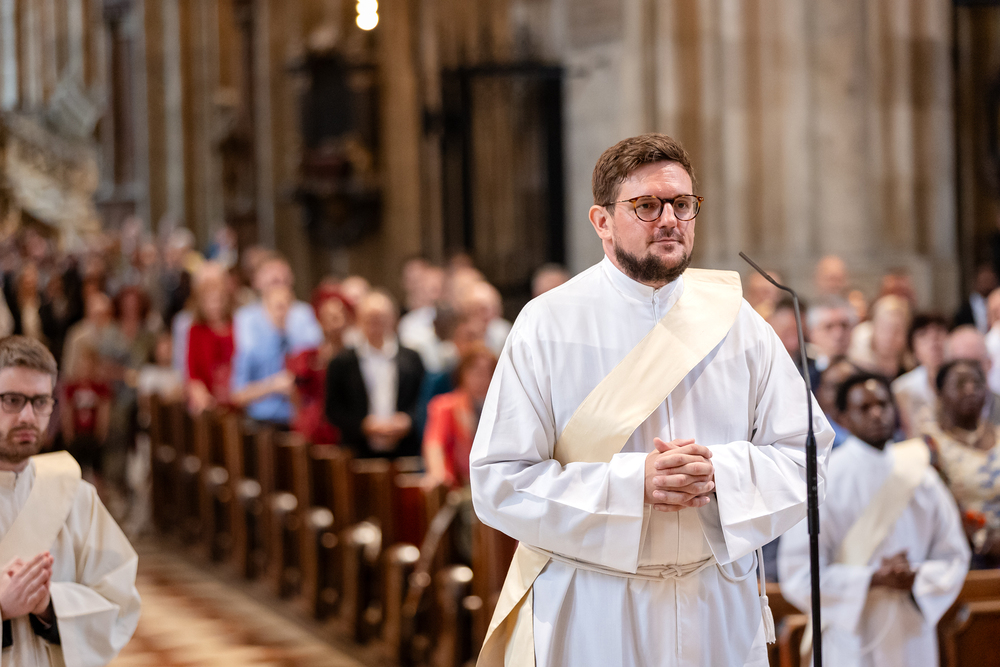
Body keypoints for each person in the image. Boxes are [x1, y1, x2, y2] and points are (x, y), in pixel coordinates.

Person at [470, 133, 834, 666]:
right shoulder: (547, 324)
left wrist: (719, 474)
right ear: (601, 221)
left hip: (717, 605)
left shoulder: (739, 323)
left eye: (682, 204)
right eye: (646, 206)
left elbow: (807, 457)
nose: (670, 220)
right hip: (597, 606)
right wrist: (633, 485)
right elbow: (499, 482)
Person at [778, 373, 968, 667]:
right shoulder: (826, 479)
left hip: (911, 629)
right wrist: (873, 579)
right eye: (864, 408)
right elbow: (799, 572)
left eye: (883, 404)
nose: (877, 413)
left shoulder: (921, 476)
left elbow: (953, 555)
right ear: (843, 417)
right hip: (850, 636)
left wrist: (916, 576)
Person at [0, 335, 141, 665]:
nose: (27, 416)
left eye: (40, 401)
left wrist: (50, 606)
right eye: (12, 400)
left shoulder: (76, 496)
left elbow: (119, 603)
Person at [325, 291, 425, 458]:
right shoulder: (341, 362)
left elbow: (423, 400)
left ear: (393, 319)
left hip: (404, 450)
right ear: (359, 320)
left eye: (382, 318)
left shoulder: (412, 359)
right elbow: (333, 409)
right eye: (370, 319)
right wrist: (363, 425)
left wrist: (407, 420)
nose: (376, 325)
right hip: (357, 452)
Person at [922, 360, 1000, 568]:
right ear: (939, 392)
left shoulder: (997, 433)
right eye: (960, 384)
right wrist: (981, 539)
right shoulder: (931, 445)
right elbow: (939, 508)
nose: (970, 390)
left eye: (977, 384)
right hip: (965, 552)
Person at [422, 344, 497, 490]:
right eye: (475, 371)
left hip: (491, 484)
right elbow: (434, 443)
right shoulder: (444, 406)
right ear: (462, 373)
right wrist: (437, 474)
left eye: (487, 372)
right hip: (457, 486)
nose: (481, 378)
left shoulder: (500, 408)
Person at [286, 286, 353, 444]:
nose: (333, 323)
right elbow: (296, 397)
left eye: (337, 317)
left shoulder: (354, 358)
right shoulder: (306, 357)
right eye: (327, 317)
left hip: (346, 430)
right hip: (312, 430)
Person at [186, 263, 235, 414]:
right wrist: (205, 400)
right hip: (208, 401)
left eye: (218, 300)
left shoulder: (237, 326)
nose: (215, 306)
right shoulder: (197, 331)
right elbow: (193, 373)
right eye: (210, 301)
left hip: (235, 396)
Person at [892, 314, 948, 438]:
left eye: (939, 333)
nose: (933, 343)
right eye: (923, 336)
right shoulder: (901, 388)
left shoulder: (963, 382)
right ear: (913, 350)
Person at [849, 295, 912, 379]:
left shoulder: (911, 372)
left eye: (897, 331)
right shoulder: (855, 370)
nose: (890, 337)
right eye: (884, 328)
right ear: (874, 329)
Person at [806, 297, 856, 375]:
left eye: (844, 325)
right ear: (811, 333)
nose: (838, 334)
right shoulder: (801, 374)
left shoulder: (867, 373)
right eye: (828, 327)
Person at [953, 264, 997, 333]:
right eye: (984, 280)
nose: (987, 283)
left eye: (989, 279)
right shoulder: (965, 310)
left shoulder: (997, 302)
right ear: (976, 281)